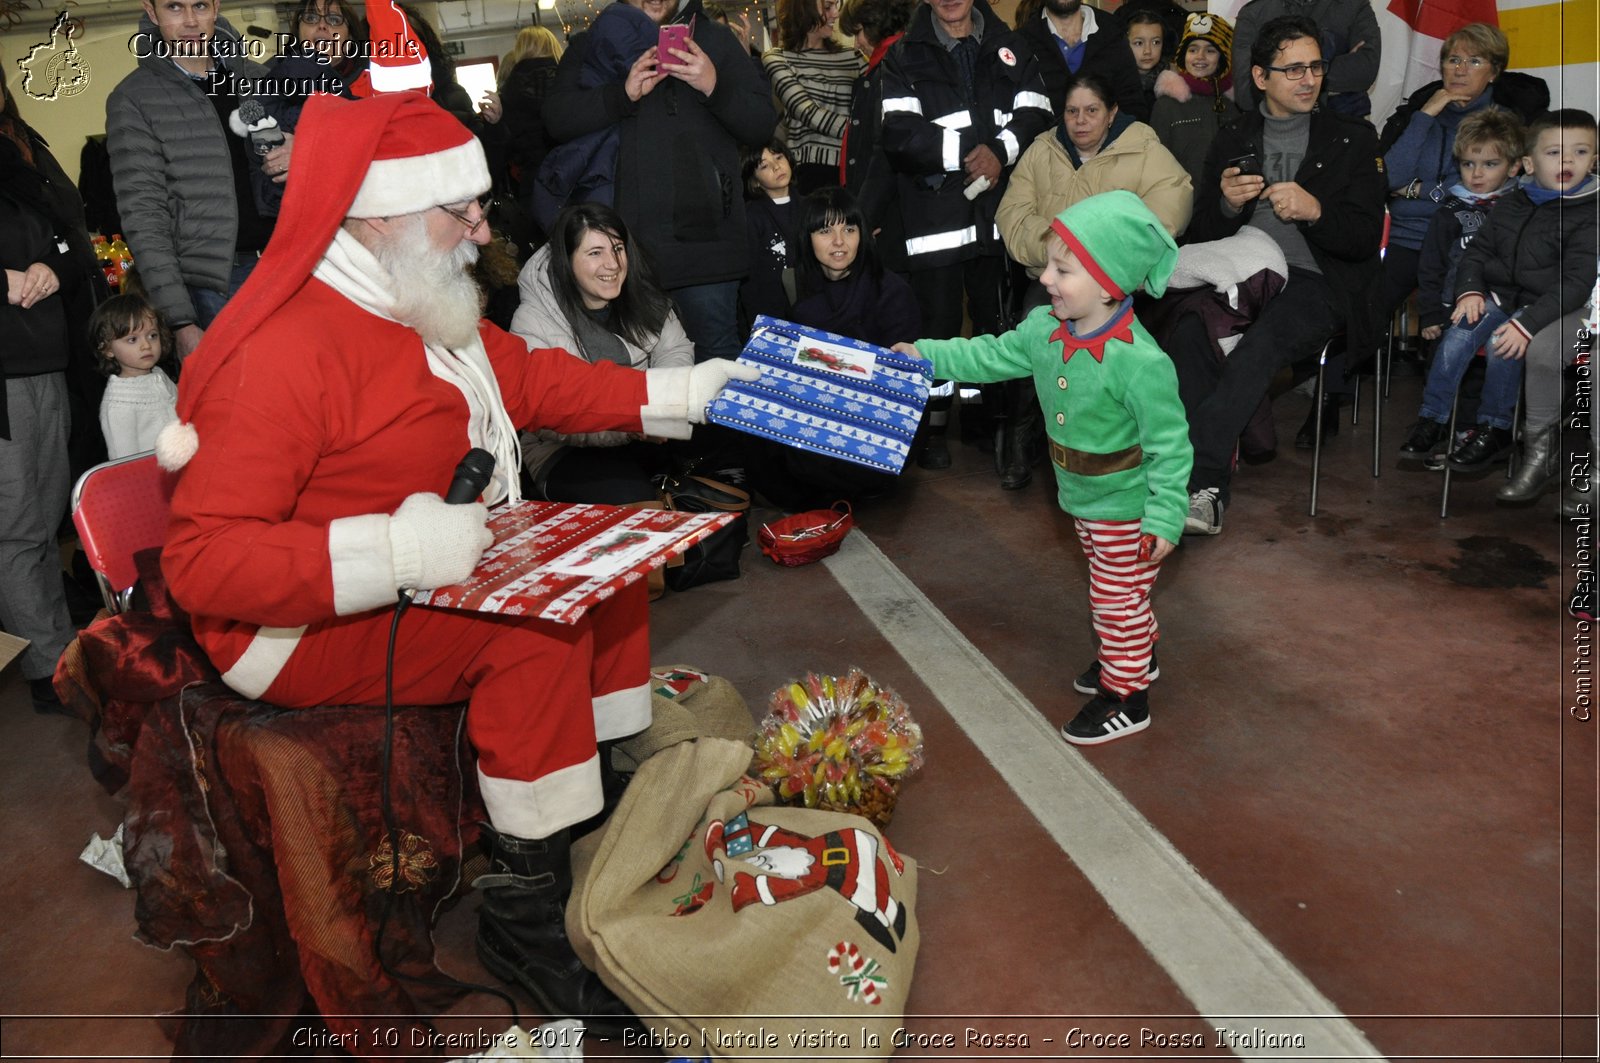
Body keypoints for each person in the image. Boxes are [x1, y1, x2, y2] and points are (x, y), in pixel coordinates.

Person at [155, 91, 757, 1027]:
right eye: (461, 210)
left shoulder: (415, 290)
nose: (483, 228)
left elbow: (533, 378)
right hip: (295, 624)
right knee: (536, 638)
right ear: (378, 213)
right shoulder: (281, 351)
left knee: (612, 563)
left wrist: (682, 386)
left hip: (429, 561)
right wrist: (395, 548)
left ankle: (592, 816)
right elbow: (202, 562)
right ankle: (528, 919)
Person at [894, 191, 1191, 745]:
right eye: (1048, 265)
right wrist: (926, 354)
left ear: (1108, 284)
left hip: (1129, 508)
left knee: (1115, 599)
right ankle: (1136, 655)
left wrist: (1166, 515)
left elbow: (1170, 447)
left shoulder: (1140, 361)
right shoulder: (1043, 330)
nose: (1047, 278)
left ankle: (1127, 693)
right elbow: (986, 355)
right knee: (1120, 592)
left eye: (1063, 268)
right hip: (1083, 499)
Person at [1169, 15, 1384, 537]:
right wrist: (1224, 203)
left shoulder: (1353, 138)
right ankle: (1225, 448)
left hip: (1317, 280)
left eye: (1314, 67)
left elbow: (1362, 240)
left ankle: (1204, 486)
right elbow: (1201, 228)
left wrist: (1316, 212)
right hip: (1242, 268)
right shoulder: (1234, 134)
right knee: (1186, 333)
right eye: (1292, 70)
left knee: (1258, 347)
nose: (1308, 80)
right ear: (1261, 78)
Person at [543, 0, 778, 364]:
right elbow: (557, 119)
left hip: (707, 247)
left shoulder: (715, 41)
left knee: (715, 365)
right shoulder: (596, 42)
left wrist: (713, 84)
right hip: (621, 252)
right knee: (633, 374)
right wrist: (620, 95)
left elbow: (761, 122)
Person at [878, 0, 1053, 468]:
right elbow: (897, 132)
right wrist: (967, 153)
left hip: (998, 217)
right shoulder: (902, 55)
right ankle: (933, 427)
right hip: (935, 222)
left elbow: (1037, 113)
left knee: (995, 324)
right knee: (935, 326)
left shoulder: (1013, 46)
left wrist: (999, 150)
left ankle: (984, 418)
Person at [995, 70, 1190, 487]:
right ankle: (1023, 434)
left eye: (1091, 111)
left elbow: (1172, 201)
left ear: (1111, 112)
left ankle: (1118, 440)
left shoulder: (1142, 148)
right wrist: (1061, 249)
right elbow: (1012, 213)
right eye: (1071, 112)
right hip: (1053, 276)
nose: (1080, 121)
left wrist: (1118, 258)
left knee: (1133, 349)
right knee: (1035, 328)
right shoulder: (1042, 151)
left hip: (1121, 284)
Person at [1399, 109, 1598, 474]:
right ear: (1528, 163)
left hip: (1546, 307)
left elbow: (1576, 283)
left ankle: (1496, 427)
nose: (1567, 160)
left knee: (1500, 343)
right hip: (1501, 295)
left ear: (1595, 160)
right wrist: (1470, 292)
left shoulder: (1589, 212)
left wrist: (1527, 325)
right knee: (1458, 333)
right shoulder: (1512, 203)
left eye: (1581, 152)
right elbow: (1476, 253)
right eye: (1554, 152)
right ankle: (1434, 418)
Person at [2, 73, 104, 715]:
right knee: (18, 526)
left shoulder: (23, 146)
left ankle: (58, 649)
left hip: (47, 354)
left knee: (43, 519)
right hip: (4, 369)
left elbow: (73, 239)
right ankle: (48, 665)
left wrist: (52, 265)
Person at [106, 0, 285, 357]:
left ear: (216, 7)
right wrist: (180, 322)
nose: (190, 21)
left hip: (289, 264)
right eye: (174, 7)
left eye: (200, 5)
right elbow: (144, 216)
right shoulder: (134, 99)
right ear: (152, 12)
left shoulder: (260, 80)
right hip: (215, 286)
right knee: (239, 405)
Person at [1375, 23, 1547, 375]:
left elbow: (1477, 190)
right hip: (1405, 238)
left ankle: (1443, 413)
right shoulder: (1419, 113)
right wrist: (1425, 115)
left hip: (1465, 242)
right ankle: (1330, 401)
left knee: (1453, 323)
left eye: (1474, 61)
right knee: (1360, 309)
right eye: (1453, 60)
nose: (1459, 69)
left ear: (1494, 72)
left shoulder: (1502, 122)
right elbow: (1388, 178)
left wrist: (1417, 190)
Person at [509, 202, 695, 502]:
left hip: (642, 429)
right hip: (565, 448)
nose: (613, 264)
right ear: (567, 260)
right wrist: (633, 422)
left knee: (729, 448)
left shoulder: (641, 297)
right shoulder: (533, 319)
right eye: (595, 253)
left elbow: (674, 349)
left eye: (618, 249)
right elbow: (547, 417)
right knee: (634, 499)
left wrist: (666, 403)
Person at [747, 187, 920, 510]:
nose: (839, 241)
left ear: (863, 235)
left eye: (849, 230)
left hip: (874, 425)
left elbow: (897, 387)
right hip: (816, 416)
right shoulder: (796, 289)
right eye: (825, 230)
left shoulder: (891, 291)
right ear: (808, 238)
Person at [836, 0, 916, 269]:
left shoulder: (892, 70)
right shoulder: (882, 69)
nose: (856, 43)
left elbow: (884, 154)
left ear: (876, 24)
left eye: (858, 32)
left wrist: (864, 217)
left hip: (892, 219)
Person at [763, 0, 864, 195]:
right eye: (827, 7)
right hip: (809, 172)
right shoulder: (778, 58)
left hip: (855, 165)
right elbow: (806, 111)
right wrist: (862, 132)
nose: (835, 14)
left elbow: (875, 103)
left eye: (836, 6)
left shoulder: (853, 57)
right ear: (802, 9)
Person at [1230, 0, 1377, 118]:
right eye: (1294, 69)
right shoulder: (1254, 13)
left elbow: (1364, 71)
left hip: (1346, 128)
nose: (1309, 80)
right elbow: (1246, 94)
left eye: (1317, 67)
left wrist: (1284, 77)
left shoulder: (1355, 6)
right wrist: (1333, 60)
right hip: (1273, 133)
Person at [1149, 12, 1239, 194]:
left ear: (1223, 57)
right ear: (1183, 55)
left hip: (1226, 207)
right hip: (1181, 208)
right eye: (1193, 49)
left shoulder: (1235, 104)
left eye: (1210, 50)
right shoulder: (1166, 105)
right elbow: (1155, 167)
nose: (1200, 56)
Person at [1013, 0, 1145, 120]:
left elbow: (1133, 106)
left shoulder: (1113, 33)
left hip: (1115, 144)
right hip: (1043, 143)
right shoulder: (1021, 44)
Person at [92, 293, 179, 459]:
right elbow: (123, 461)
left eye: (152, 335)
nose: (146, 345)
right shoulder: (118, 404)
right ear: (108, 349)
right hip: (148, 479)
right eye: (132, 339)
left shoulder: (159, 376)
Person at [494, 26, 564, 211]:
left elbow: (507, 145)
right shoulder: (568, 81)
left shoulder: (508, 91)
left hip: (531, 182)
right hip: (573, 175)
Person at [740, 141, 803, 328]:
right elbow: (749, 278)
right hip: (771, 312)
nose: (777, 166)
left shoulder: (811, 206)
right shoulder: (751, 216)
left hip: (810, 310)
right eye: (764, 165)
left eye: (779, 157)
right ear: (755, 181)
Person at [1124, 9, 1166, 116]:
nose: (1147, 51)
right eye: (1139, 43)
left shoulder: (1175, 85)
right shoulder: (1116, 86)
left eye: (1156, 42)